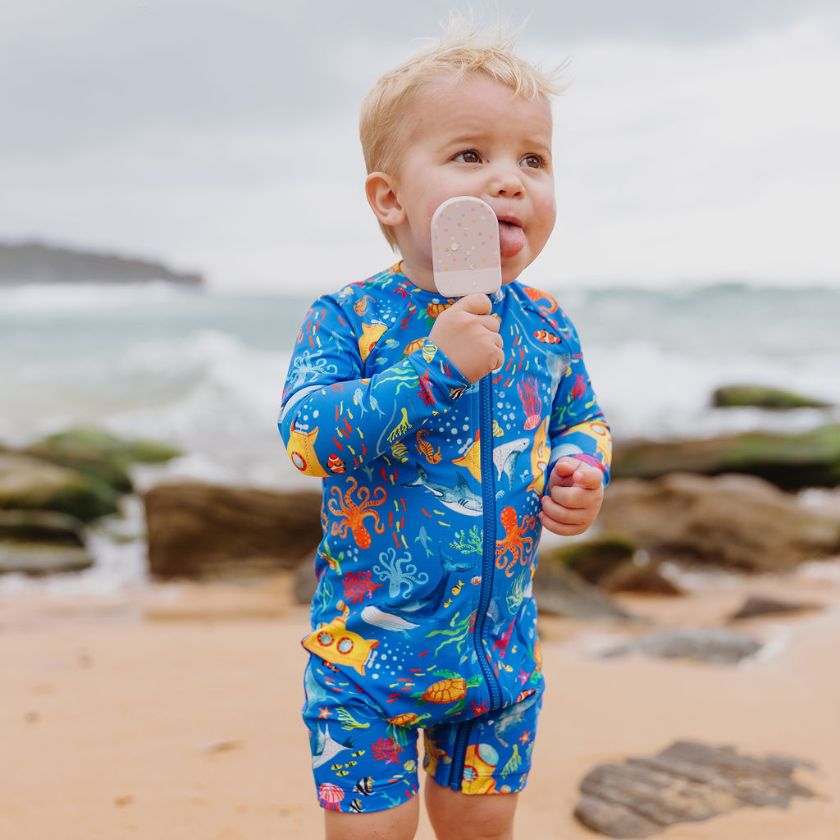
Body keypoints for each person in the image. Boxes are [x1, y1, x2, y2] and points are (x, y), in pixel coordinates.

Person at [277, 14, 613, 840]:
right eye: (472, 155)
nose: (510, 181)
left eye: (532, 159)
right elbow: (305, 435)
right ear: (390, 199)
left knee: (480, 828)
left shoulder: (545, 323)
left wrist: (581, 469)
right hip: (368, 662)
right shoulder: (351, 316)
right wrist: (435, 368)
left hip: (498, 659)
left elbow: (584, 417)